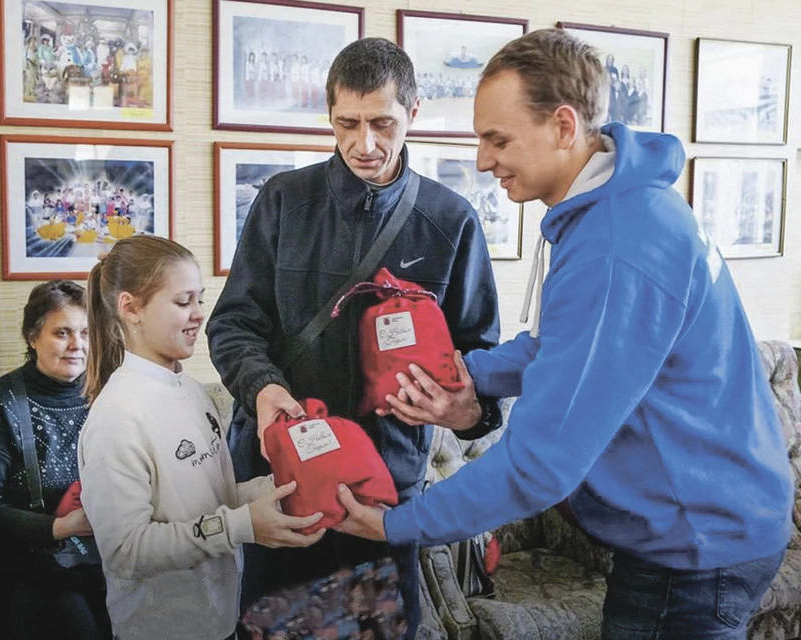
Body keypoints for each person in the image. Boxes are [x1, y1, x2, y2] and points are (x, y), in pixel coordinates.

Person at [335, 28, 795, 640]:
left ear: (562, 126)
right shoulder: (624, 207)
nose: (481, 160)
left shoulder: (614, 248)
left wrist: (396, 526)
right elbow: (566, 342)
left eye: (497, 140)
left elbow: (538, 468)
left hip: (695, 547)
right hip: (716, 522)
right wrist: (467, 374)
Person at [206, 36, 501, 636]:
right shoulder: (283, 201)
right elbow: (234, 323)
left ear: (413, 113)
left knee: (381, 630)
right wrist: (262, 387)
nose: (364, 144)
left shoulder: (450, 220)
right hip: (287, 479)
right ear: (329, 114)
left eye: (382, 124)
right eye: (347, 124)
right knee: (274, 627)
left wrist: (464, 409)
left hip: (386, 490)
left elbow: (483, 359)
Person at [76, 236, 325, 640]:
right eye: (182, 302)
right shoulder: (117, 417)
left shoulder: (193, 393)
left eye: (199, 300)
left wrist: (280, 487)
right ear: (130, 308)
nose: (198, 316)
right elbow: (126, 551)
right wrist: (241, 526)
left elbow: (210, 498)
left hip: (220, 621)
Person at [0, 280, 111, 640]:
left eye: (86, 333)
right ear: (32, 337)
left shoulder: (112, 394)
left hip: (115, 559)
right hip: (38, 569)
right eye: (62, 333)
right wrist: (63, 526)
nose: (78, 345)